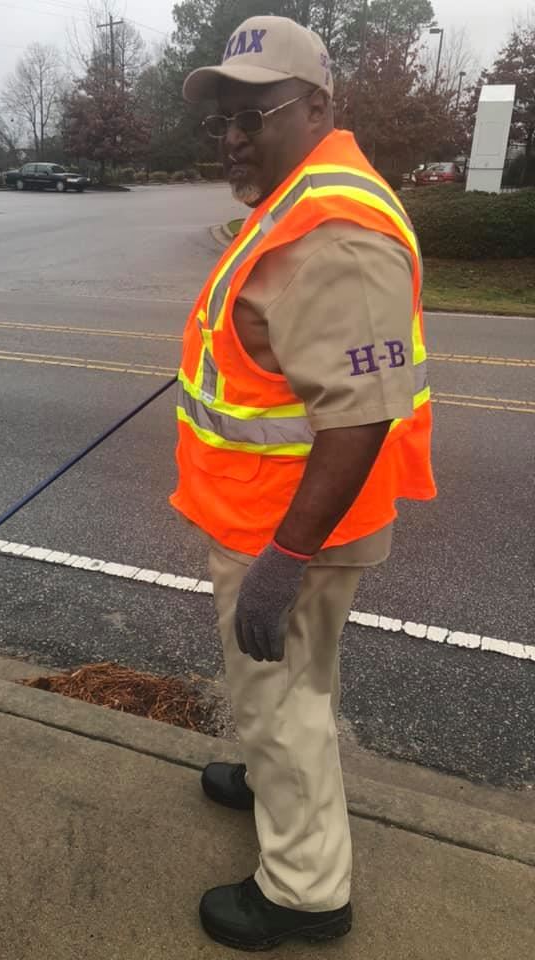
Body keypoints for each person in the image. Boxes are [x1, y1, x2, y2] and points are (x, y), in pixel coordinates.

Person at [170, 15, 436, 952]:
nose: (234, 136)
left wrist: (285, 559)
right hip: (264, 516)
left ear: (318, 106)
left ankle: (303, 891)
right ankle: (270, 783)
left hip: (291, 532)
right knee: (286, 688)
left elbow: (360, 417)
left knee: (281, 702)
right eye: (223, 118)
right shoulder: (297, 198)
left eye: (255, 113)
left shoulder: (336, 231)